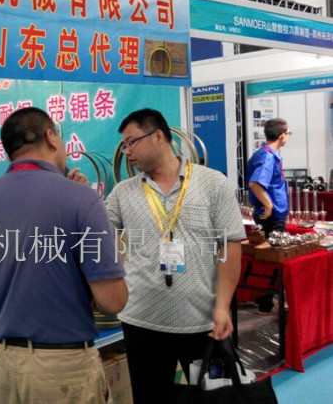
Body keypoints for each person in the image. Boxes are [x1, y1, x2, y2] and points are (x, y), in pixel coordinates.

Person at [0, 107, 128, 404]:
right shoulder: (83, 199)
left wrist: (10, 297)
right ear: (51, 137)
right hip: (61, 368)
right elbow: (113, 300)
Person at [105, 108, 244, 404]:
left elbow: (230, 245)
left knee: (212, 399)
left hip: (202, 321)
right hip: (141, 320)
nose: (127, 151)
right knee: (150, 398)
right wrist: (81, 195)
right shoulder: (123, 192)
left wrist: (223, 306)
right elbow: (97, 232)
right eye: (124, 146)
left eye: (131, 142)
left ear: (158, 136)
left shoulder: (213, 183)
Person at [245, 117, 291, 313]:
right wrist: (269, 205)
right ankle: (268, 303)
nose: (288, 136)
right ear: (281, 136)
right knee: (273, 260)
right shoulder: (268, 157)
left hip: (268, 215)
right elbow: (255, 183)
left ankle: (264, 301)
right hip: (272, 217)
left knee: (265, 259)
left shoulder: (262, 153)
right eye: (288, 133)